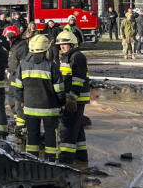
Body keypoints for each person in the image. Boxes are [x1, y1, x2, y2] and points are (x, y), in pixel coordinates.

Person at [13, 34, 65, 161]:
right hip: (50, 109)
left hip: (30, 108)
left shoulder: (23, 65)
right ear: (45, 50)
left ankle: (32, 161)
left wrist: (22, 101)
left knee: (32, 137)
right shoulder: (51, 66)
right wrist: (62, 103)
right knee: (51, 137)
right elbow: (59, 89)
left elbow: (17, 87)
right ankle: (52, 162)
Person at [55, 30, 90, 164]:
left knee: (67, 128)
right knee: (77, 127)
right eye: (60, 45)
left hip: (75, 98)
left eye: (65, 44)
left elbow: (78, 79)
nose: (62, 47)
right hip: (73, 98)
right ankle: (81, 157)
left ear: (72, 44)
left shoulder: (77, 57)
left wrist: (72, 97)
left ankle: (66, 160)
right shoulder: (67, 56)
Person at [4, 25, 28, 136]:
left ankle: (22, 127)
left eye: (7, 37)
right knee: (12, 101)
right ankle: (17, 122)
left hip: (18, 78)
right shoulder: (14, 46)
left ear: (12, 36)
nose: (6, 39)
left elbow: (23, 66)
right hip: (13, 76)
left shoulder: (22, 47)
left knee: (19, 103)